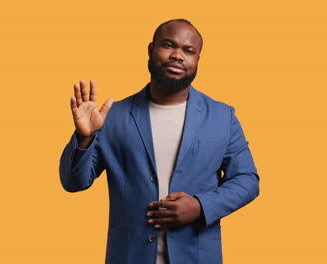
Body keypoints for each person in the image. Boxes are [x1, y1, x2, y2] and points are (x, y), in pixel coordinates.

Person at [59, 18, 259, 264]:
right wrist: (85, 137)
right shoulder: (111, 117)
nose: (178, 55)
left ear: (197, 60)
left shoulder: (222, 116)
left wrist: (201, 206)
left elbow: (247, 180)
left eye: (189, 51)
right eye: (168, 45)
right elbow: (73, 182)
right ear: (151, 50)